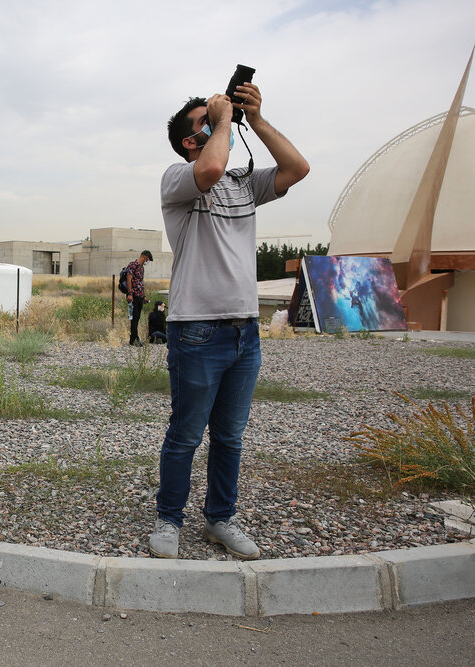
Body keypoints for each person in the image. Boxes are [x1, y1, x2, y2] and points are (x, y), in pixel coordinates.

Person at [150, 82, 309, 560]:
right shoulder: (178, 177)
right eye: (206, 120)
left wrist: (254, 120)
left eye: (218, 117)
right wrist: (222, 121)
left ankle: (220, 518)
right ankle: (169, 518)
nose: (221, 119)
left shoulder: (244, 183)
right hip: (196, 328)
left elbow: (297, 168)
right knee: (186, 433)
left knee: (230, 436)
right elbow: (211, 167)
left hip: (244, 331)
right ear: (188, 140)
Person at [125, 250, 153, 346]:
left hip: (140, 296)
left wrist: (144, 296)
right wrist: (130, 294)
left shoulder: (141, 268)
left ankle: (134, 337)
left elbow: (141, 283)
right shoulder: (133, 265)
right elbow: (129, 279)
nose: (147, 261)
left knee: (137, 318)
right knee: (134, 318)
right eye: (148, 259)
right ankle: (134, 339)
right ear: (145, 257)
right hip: (134, 295)